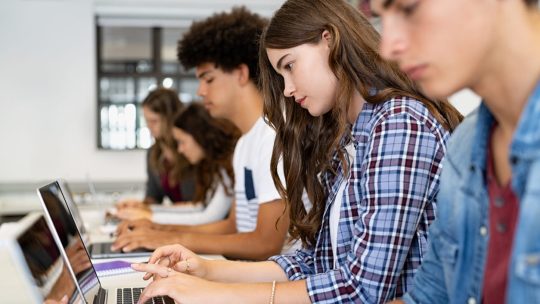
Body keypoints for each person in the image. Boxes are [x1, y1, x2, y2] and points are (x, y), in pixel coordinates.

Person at [130, 0, 463, 303]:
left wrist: (212, 294)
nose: (288, 90)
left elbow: (363, 289)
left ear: (329, 40)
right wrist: (205, 270)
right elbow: (315, 262)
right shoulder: (347, 136)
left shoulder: (398, 123)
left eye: (290, 66)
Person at [369, 0, 540, 303]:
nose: (388, 47)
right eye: (382, 17)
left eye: (408, 8)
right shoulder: (465, 145)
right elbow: (428, 296)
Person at [112, 7, 291, 261]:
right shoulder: (245, 144)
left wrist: (168, 239)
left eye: (208, 79)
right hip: (246, 272)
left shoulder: (273, 137)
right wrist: (159, 230)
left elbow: (265, 243)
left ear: (241, 74)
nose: (200, 92)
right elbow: (234, 227)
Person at [114, 103, 240, 226]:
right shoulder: (215, 165)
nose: (180, 149)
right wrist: (147, 210)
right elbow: (199, 207)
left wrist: (149, 216)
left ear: (199, 136)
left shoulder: (229, 165)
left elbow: (209, 217)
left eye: (182, 142)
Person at [116, 88, 196, 209]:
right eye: (147, 121)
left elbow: (201, 205)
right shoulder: (153, 153)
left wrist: (167, 211)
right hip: (176, 221)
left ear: (171, 118)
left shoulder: (192, 150)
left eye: (154, 121)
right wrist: (139, 205)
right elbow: (154, 197)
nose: (149, 127)